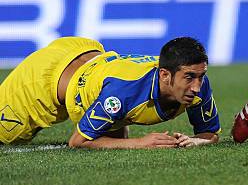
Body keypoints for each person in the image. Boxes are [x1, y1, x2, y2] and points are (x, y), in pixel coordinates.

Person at [0, 37, 220, 149]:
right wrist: (141, 142)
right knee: (7, 137)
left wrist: (195, 141)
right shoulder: (123, 92)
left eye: (201, 76)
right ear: (164, 75)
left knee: (115, 134)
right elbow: (78, 142)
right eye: (189, 78)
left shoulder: (198, 82)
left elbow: (209, 134)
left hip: (86, 53)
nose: (197, 87)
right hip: (43, 80)